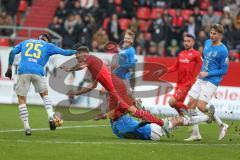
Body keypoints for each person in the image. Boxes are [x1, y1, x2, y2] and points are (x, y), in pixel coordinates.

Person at [60, 46, 216, 141]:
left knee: (140, 112)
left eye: (78, 57)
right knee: (171, 120)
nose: (78, 60)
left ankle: (167, 122)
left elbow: (82, 66)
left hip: (148, 129)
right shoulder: (103, 82)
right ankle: (206, 118)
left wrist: (69, 69)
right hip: (146, 129)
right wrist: (78, 91)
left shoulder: (91, 59)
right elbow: (91, 87)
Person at [5, 33, 77, 135]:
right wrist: (77, 51)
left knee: (21, 99)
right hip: (38, 71)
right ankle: (51, 116)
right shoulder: (48, 46)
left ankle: (27, 127)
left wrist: (9, 68)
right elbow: (65, 52)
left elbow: (12, 52)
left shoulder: (26, 42)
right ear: (47, 40)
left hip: (23, 70)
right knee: (44, 95)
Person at [185, 24, 229, 141]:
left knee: (201, 106)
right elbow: (206, 61)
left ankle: (222, 125)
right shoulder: (207, 43)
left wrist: (207, 74)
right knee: (190, 105)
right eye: (211, 33)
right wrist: (199, 74)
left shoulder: (223, 50)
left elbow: (224, 70)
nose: (212, 35)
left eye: (215, 33)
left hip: (212, 81)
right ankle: (196, 134)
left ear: (220, 35)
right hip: (201, 78)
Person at [155, 33, 202, 116]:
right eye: (185, 41)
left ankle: (192, 113)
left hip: (187, 83)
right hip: (179, 83)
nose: (186, 43)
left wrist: (198, 76)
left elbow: (203, 65)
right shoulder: (181, 54)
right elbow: (175, 67)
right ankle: (184, 116)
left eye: (188, 41)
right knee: (177, 106)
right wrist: (163, 71)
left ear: (193, 42)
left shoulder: (196, 54)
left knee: (171, 102)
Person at [95, 30, 137, 120]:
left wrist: (122, 66)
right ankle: (104, 112)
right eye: (125, 38)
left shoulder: (131, 50)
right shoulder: (123, 50)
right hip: (115, 76)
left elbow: (132, 64)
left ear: (132, 41)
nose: (126, 40)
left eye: (128, 38)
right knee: (105, 90)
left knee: (129, 96)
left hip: (122, 78)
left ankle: (140, 109)